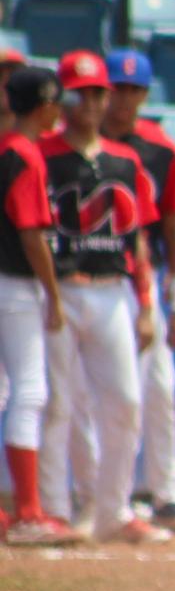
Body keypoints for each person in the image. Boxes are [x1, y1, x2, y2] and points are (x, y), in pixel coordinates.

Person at [37, 51, 166, 544]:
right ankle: (54, 509)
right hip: (60, 290)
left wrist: (148, 303)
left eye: (97, 93)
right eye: (79, 92)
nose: (89, 102)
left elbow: (138, 239)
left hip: (112, 291)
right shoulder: (43, 156)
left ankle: (113, 509)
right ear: (63, 98)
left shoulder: (125, 160)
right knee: (57, 404)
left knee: (127, 402)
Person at [90, 48, 175, 534]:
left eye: (133, 90)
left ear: (145, 94)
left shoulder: (160, 149)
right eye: (115, 89)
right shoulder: (83, 143)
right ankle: (96, 496)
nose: (123, 99)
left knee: (159, 390)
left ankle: (168, 496)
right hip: (91, 278)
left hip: (142, 285)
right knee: (94, 398)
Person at [0, 65, 77, 546]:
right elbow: (32, 235)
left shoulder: (4, 148)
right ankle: (28, 512)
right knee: (29, 392)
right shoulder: (25, 153)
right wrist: (53, 293)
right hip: (15, 286)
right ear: (45, 105)